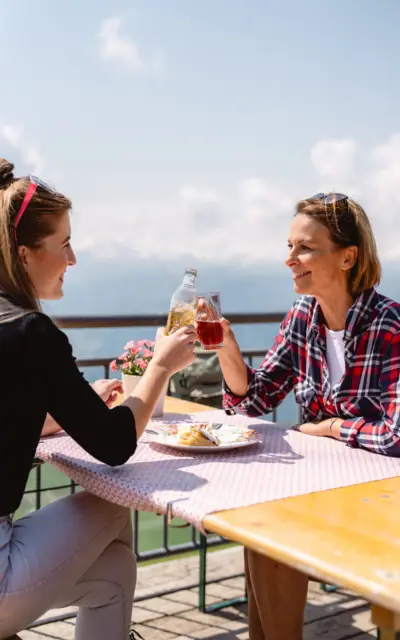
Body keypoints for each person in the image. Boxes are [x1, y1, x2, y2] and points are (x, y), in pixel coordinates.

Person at [0, 157, 196, 640]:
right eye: (64, 245)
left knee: (114, 571)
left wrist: (67, 406)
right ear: (24, 255)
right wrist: (160, 366)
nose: (73, 259)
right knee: (113, 503)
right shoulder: (31, 332)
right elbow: (114, 445)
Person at [218, 192, 400, 640]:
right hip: (323, 491)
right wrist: (227, 347)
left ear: (347, 257)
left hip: (380, 502)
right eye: (289, 246)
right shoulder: (303, 317)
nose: (290, 259)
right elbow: (252, 402)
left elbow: (396, 437)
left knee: (272, 532)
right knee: (260, 528)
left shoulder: (389, 325)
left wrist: (332, 428)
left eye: (305, 248)